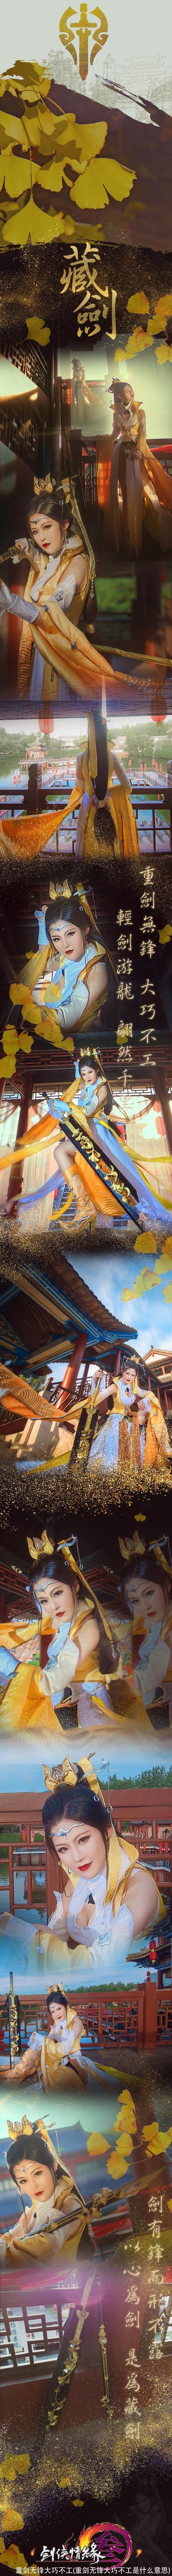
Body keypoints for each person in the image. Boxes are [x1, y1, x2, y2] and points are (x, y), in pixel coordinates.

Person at [35, 1755, 165, 1972]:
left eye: (83, 1840)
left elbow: (102, 1963)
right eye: (64, 1849)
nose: (77, 1858)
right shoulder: (77, 1883)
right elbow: (54, 1936)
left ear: (107, 1831)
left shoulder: (139, 1888)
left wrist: (28, 1937)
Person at [0, 1535, 120, 1734]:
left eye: (57, 1593)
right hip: (62, 1700)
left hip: (87, 1707)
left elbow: (52, 1681)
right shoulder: (63, 1619)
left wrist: (8, 1665)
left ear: (76, 1586)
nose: (54, 1606)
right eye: (44, 1601)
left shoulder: (89, 1628)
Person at [0, 2119, 95, 2265]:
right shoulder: (36, 2207)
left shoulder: (70, 2207)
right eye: (24, 2181)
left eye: (38, 2174)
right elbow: (10, 2237)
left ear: (54, 2166)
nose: (34, 2187)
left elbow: (41, 2248)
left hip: (63, 2278)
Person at [104, 380, 172, 557]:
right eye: (128, 391)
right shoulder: (116, 413)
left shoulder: (140, 412)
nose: (132, 392)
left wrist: (139, 451)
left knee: (140, 489)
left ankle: (142, 536)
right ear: (120, 396)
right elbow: (115, 434)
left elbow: (143, 433)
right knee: (126, 493)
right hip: (121, 453)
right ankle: (130, 541)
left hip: (137, 453)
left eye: (132, 389)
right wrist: (100, 439)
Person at [117, 1536, 172, 1724]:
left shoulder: (167, 1633)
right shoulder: (156, 1627)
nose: (145, 1607)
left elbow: (136, 1684)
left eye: (149, 1593)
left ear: (167, 1586)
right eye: (136, 1601)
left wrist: (125, 1656)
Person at [75, 709, 140, 861]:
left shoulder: (80, 758)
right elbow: (128, 787)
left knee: (88, 847)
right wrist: (105, 795)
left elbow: (80, 786)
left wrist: (93, 794)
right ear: (105, 733)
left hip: (89, 805)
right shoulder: (112, 757)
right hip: (108, 807)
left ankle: (91, 874)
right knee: (110, 847)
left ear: (89, 733)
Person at [0, 1986, 87, 2091]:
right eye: (53, 2012)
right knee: (38, 2043)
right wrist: (41, 2038)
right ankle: (14, 2076)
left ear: (66, 2006)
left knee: (57, 2080)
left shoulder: (76, 2023)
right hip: (57, 2055)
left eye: (59, 2009)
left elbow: (65, 2049)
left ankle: (14, 2078)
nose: (57, 2014)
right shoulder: (58, 2023)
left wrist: (43, 2041)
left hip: (71, 2059)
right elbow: (51, 2039)